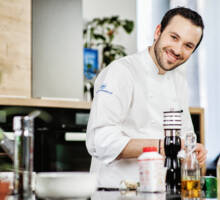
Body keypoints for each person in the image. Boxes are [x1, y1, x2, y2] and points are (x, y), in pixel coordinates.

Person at [86, 7, 207, 188]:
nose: (177, 49)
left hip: (160, 190)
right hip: (116, 190)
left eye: (188, 45)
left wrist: (193, 151)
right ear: (158, 32)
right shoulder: (121, 72)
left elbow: (184, 138)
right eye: (174, 37)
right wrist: (166, 146)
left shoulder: (179, 81)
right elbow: (101, 141)